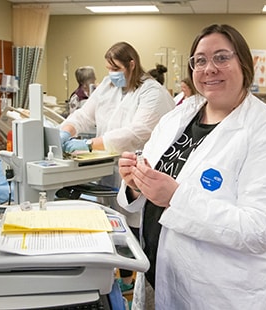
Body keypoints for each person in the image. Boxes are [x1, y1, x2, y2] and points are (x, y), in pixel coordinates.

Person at [117, 24, 266, 309]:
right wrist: (134, 185)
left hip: (223, 292)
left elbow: (260, 230)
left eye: (222, 57)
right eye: (200, 60)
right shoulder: (179, 117)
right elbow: (152, 185)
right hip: (159, 272)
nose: (209, 68)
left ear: (244, 63)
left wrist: (175, 198)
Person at [58, 41, 175, 292]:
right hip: (108, 168)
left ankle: (135, 282)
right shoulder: (108, 86)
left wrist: (90, 144)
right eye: (108, 67)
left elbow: (135, 133)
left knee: (135, 226)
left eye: (115, 67)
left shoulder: (151, 92)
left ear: (131, 65)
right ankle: (123, 278)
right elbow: (84, 115)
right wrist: (64, 132)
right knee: (115, 224)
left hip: (138, 168)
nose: (111, 73)